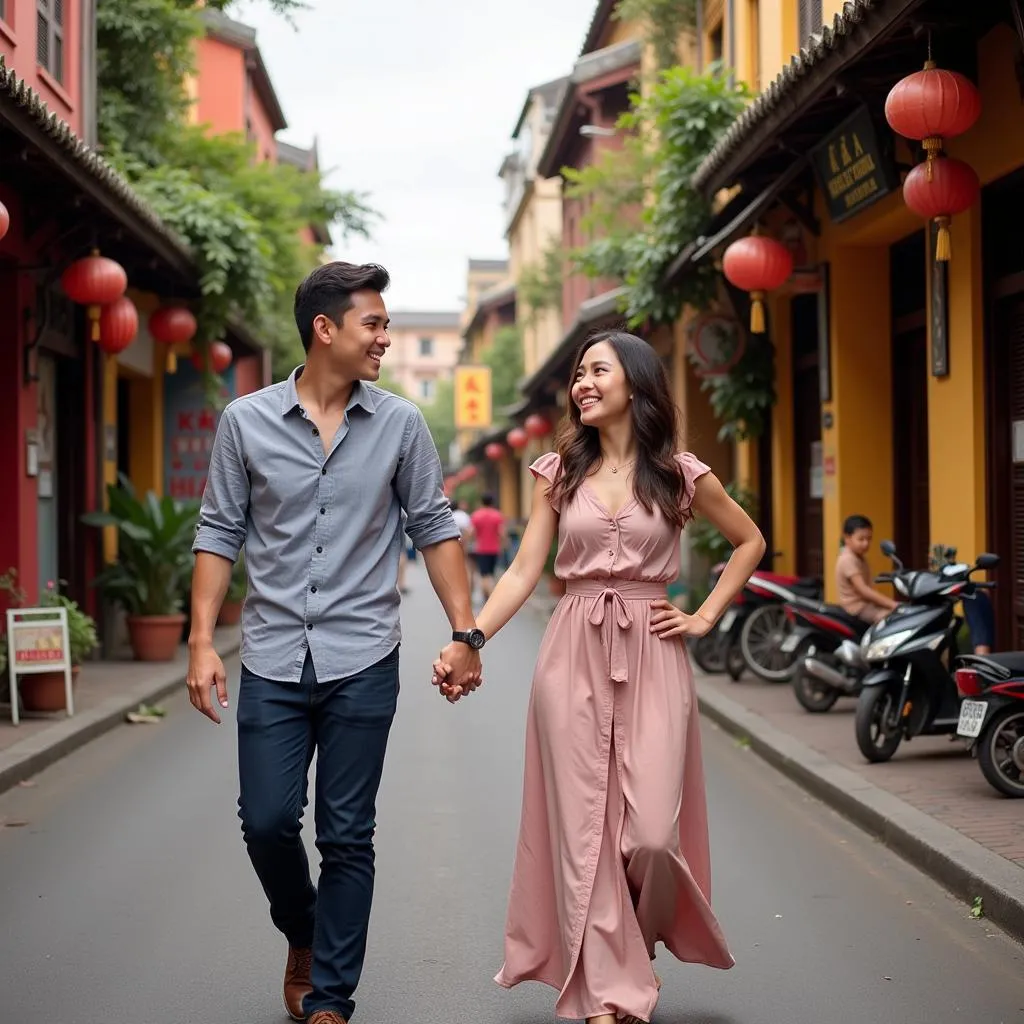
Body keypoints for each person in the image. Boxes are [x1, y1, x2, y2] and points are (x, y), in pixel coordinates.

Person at [432, 331, 765, 1024]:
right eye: (578, 373)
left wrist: (703, 617)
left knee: (647, 835)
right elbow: (526, 570)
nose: (582, 383)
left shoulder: (680, 474)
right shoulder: (559, 474)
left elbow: (749, 541)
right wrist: (470, 639)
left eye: (597, 371)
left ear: (636, 387)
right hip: (572, 653)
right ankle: (608, 990)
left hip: (654, 650)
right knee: (585, 827)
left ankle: (628, 951)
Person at [186, 261, 482, 1024]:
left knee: (348, 832)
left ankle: (330, 997)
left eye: (385, 326)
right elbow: (220, 530)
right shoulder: (244, 422)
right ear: (326, 330)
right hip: (274, 654)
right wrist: (200, 641)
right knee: (268, 822)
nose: (384, 337)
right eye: (374, 324)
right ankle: (305, 932)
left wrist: (466, 633)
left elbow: (433, 527)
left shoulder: (401, 425)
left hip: (362, 655)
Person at [836, 514, 898, 624]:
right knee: (891, 620)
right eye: (861, 539)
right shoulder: (848, 559)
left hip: (866, 605)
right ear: (847, 538)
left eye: (869, 539)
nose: (866, 543)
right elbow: (863, 590)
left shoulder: (859, 557)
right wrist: (893, 604)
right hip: (857, 609)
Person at [469, 492, 506, 599]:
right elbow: (502, 533)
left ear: (482, 502)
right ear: (492, 502)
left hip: (482, 549)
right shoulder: (497, 515)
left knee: (484, 575)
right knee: (491, 573)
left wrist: (470, 540)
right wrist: (504, 545)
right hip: (494, 549)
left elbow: (471, 532)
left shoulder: (477, 515)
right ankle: (487, 595)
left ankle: (491, 596)